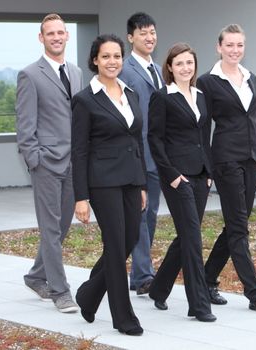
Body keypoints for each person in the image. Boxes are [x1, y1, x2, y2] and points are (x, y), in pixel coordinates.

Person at [197, 24, 256, 313]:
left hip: (252, 160)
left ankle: (206, 279)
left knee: (235, 225)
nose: (235, 50)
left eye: (239, 45)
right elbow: (202, 128)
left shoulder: (251, 78)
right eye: (229, 45)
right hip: (226, 160)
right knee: (239, 227)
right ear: (219, 47)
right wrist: (205, 169)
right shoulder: (207, 81)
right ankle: (255, 293)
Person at [72, 34, 147, 336]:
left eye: (117, 56)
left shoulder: (131, 94)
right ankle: (123, 317)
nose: (112, 62)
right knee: (115, 246)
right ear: (95, 60)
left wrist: (141, 183)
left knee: (128, 241)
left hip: (130, 180)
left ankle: (89, 294)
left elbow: (136, 142)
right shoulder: (85, 100)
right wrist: (81, 197)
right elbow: (78, 151)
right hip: (102, 183)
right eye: (106, 56)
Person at [16, 13, 83, 313]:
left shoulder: (77, 72)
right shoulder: (30, 75)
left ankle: (35, 275)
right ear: (41, 38)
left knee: (62, 225)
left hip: (73, 164)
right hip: (46, 164)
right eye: (50, 33)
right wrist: (35, 160)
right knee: (51, 229)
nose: (56, 37)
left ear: (67, 36)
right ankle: (60, 291)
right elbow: (25, 125)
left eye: (60, 32)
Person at [147, 43, 216, 322]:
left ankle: (158, 288)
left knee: (187, 235)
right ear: (170, 68)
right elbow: (154, 139)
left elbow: (205, 137)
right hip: (177, 177)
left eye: (189, 63)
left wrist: (209, 172)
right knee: (193, 239)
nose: (185, 68)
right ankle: (198, 305)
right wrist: (172, 175)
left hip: (201, 175)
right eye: (179, 64)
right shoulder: (162, 97)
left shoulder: (201, 96)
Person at [119, 12, 163, 295]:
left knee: (151, 215)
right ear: (130, 37)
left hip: (159, 155)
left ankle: (139, 273)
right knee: (140, 215)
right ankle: (143, 275)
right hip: (137, 155)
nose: (149, 37)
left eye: (152, 32)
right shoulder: (123, 69)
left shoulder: (159, 69)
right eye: (143, 33)